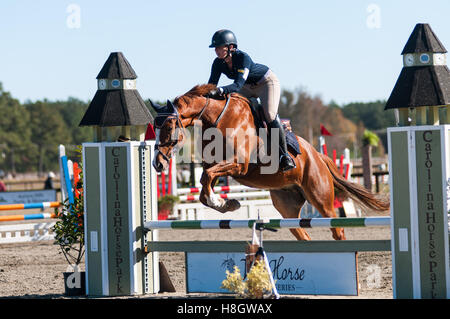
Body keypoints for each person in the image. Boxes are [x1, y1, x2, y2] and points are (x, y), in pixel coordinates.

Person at [207, 29, 296, 172]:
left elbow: (237, 85)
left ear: (231, 47)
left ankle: (284, 156)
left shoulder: (243, 58)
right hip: (247, 87)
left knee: (269, 114)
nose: (216, 51)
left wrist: (221, 90)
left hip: (266, 82)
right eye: (215, 48)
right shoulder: (218, 63)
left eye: (219, 47)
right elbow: (211, 85)